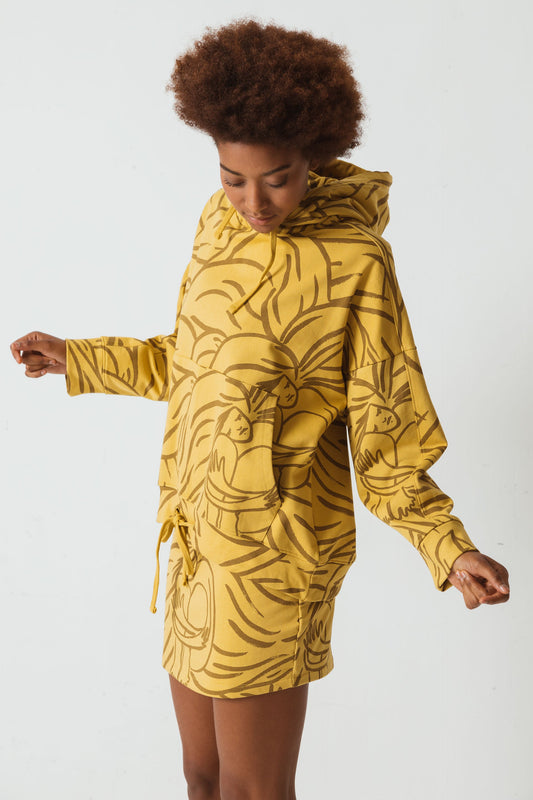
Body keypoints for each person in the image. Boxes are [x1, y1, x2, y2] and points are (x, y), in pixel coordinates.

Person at [10, 19, 509, 800]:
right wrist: (81, 356)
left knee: (252, 790)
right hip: (195, 544)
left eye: (276, 178)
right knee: (201, 776)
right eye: (231, 177)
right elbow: (198, 362)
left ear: (313, 154)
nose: (253, 203)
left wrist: (447, 547)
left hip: (276, 560)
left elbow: (385, 432)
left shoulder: (356, 264)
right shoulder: (217, 225)